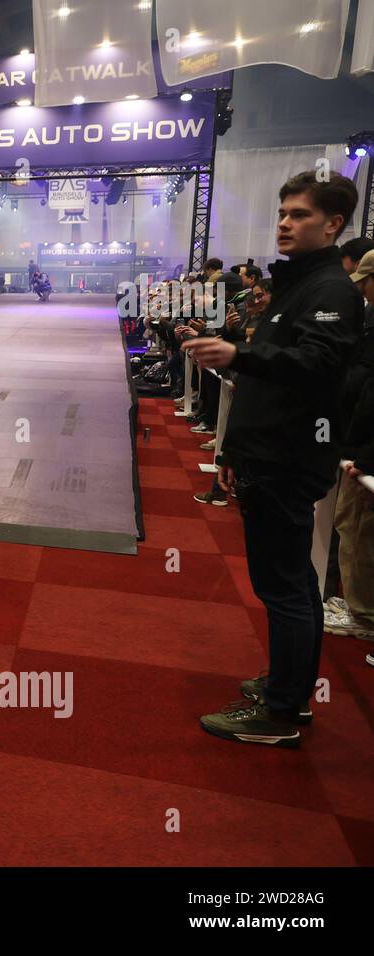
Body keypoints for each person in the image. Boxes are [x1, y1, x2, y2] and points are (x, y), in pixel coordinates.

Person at [185, 171, 364, 747]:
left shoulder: (331, 292)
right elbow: (270, 377)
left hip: (288, 458)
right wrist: (235, 449)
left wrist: (240, 353)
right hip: (268, 452)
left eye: (301, 214)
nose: (285, 222)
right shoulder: (297, 286)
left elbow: (314, 366)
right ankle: (287, 689)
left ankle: (284, 710)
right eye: (283, 211)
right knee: (286, 584)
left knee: (286, 587)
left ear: (334, 224)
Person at [327, 249, 374, 639]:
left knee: (360, 530)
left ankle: (363, 614)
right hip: (356, 441)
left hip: (364, 450)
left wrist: (365, 453)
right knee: (350, 525)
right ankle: (358, 605)